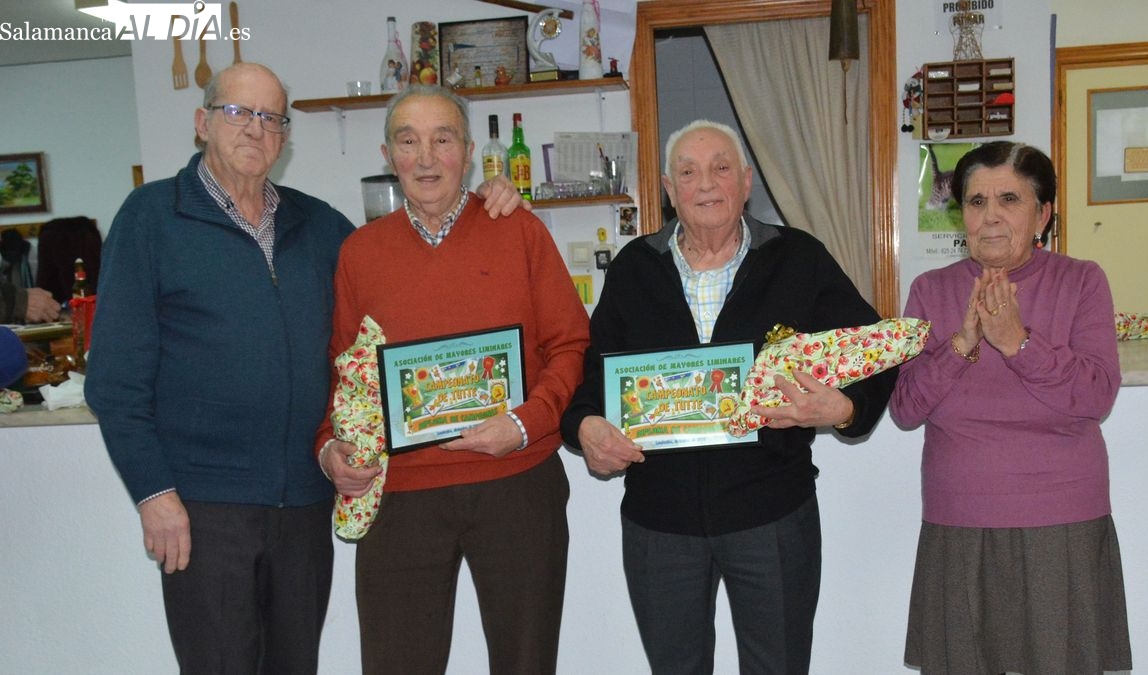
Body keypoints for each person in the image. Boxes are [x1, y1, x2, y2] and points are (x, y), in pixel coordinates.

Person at [84, 64, 526, 674]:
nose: (255, 129)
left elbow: (406, 269)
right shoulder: (151, 218)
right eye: (238, 112)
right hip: (204, 505)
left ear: (285, 137)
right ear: (202, 122)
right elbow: (114, 383)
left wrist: (481, 201)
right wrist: (154, 493)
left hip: (305, 502)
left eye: (271, 118)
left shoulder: (319, 226)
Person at [559, 119, 897, 674]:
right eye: (689, 172)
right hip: (659, 522)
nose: (706, 184)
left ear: (745, 182)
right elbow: (590, 384)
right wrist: (584, 428)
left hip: (772, 515)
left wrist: (845, 408)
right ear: (669, 190)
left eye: (720, 168)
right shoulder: (633, 269)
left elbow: (872, 349)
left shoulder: (798, 258)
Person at [317, 85, 590, 674]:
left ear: (467, 152)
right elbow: (342, 371)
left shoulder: (520, 231)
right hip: (401, 496)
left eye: (442, 139)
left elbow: (570, 344)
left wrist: (526, 424)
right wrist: (329, 449)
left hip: (518, 484)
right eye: (407, 141)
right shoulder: (360, 252)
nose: (425, 158)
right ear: (387, 156)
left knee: (526, 663)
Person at [889, 141, 1131, 675]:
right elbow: (905, 408)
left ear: (1042, 215)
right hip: (959, 518)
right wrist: (961, 344)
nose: (991, 216)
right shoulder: (931, 291)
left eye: (1009, 200)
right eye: (977, 202)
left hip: (1061, 519)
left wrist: (1018, 342)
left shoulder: (1082, 280)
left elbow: (1097, 394)